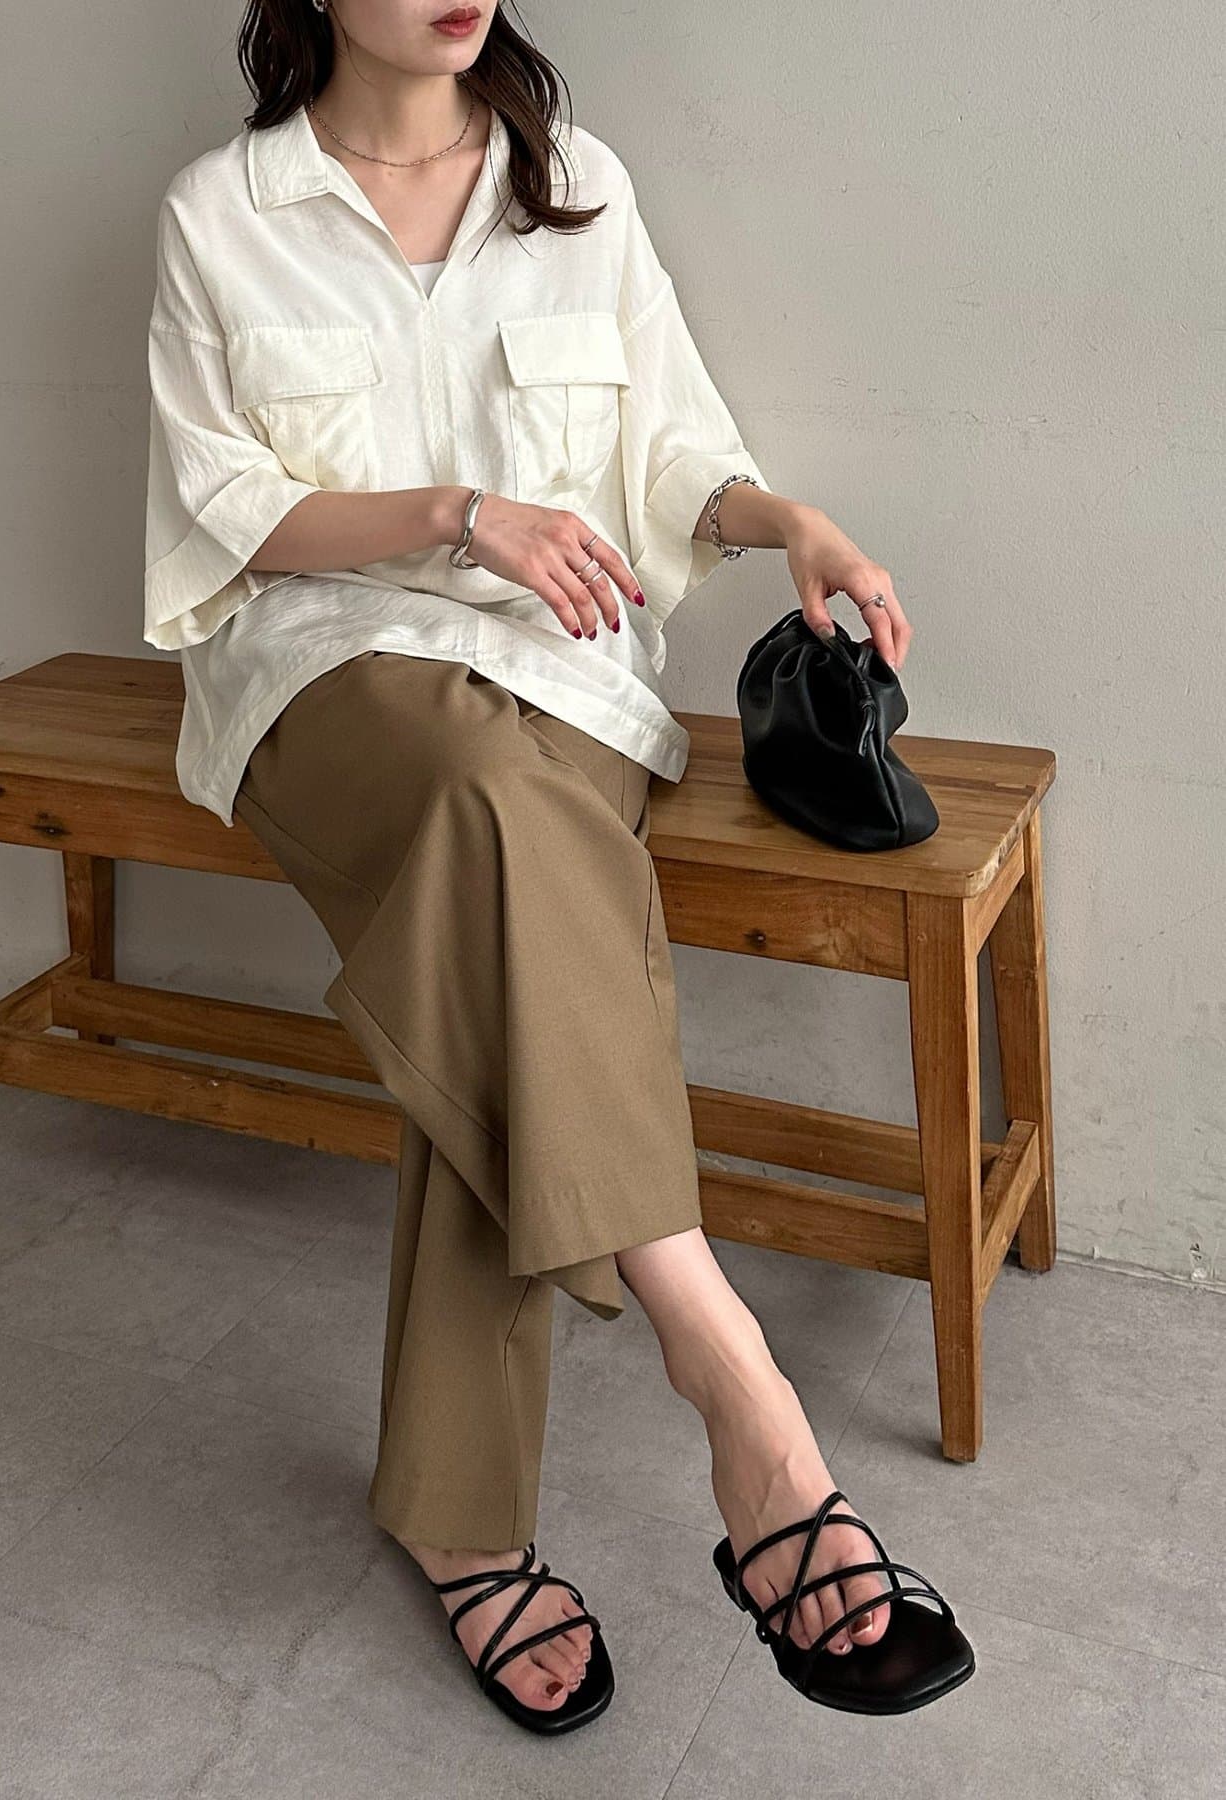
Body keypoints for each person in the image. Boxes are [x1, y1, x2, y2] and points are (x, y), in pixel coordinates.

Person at [144, 0, 972, 1733]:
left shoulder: (575, 183)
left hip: (566, 679)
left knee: (501, 900)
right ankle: (737, 1383)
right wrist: (460, 514)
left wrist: (788, 520)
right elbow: (224, 508)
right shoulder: (223, 211)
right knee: (485, 811)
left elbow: (672, 449)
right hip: (325, 679)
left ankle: (466, 1520)